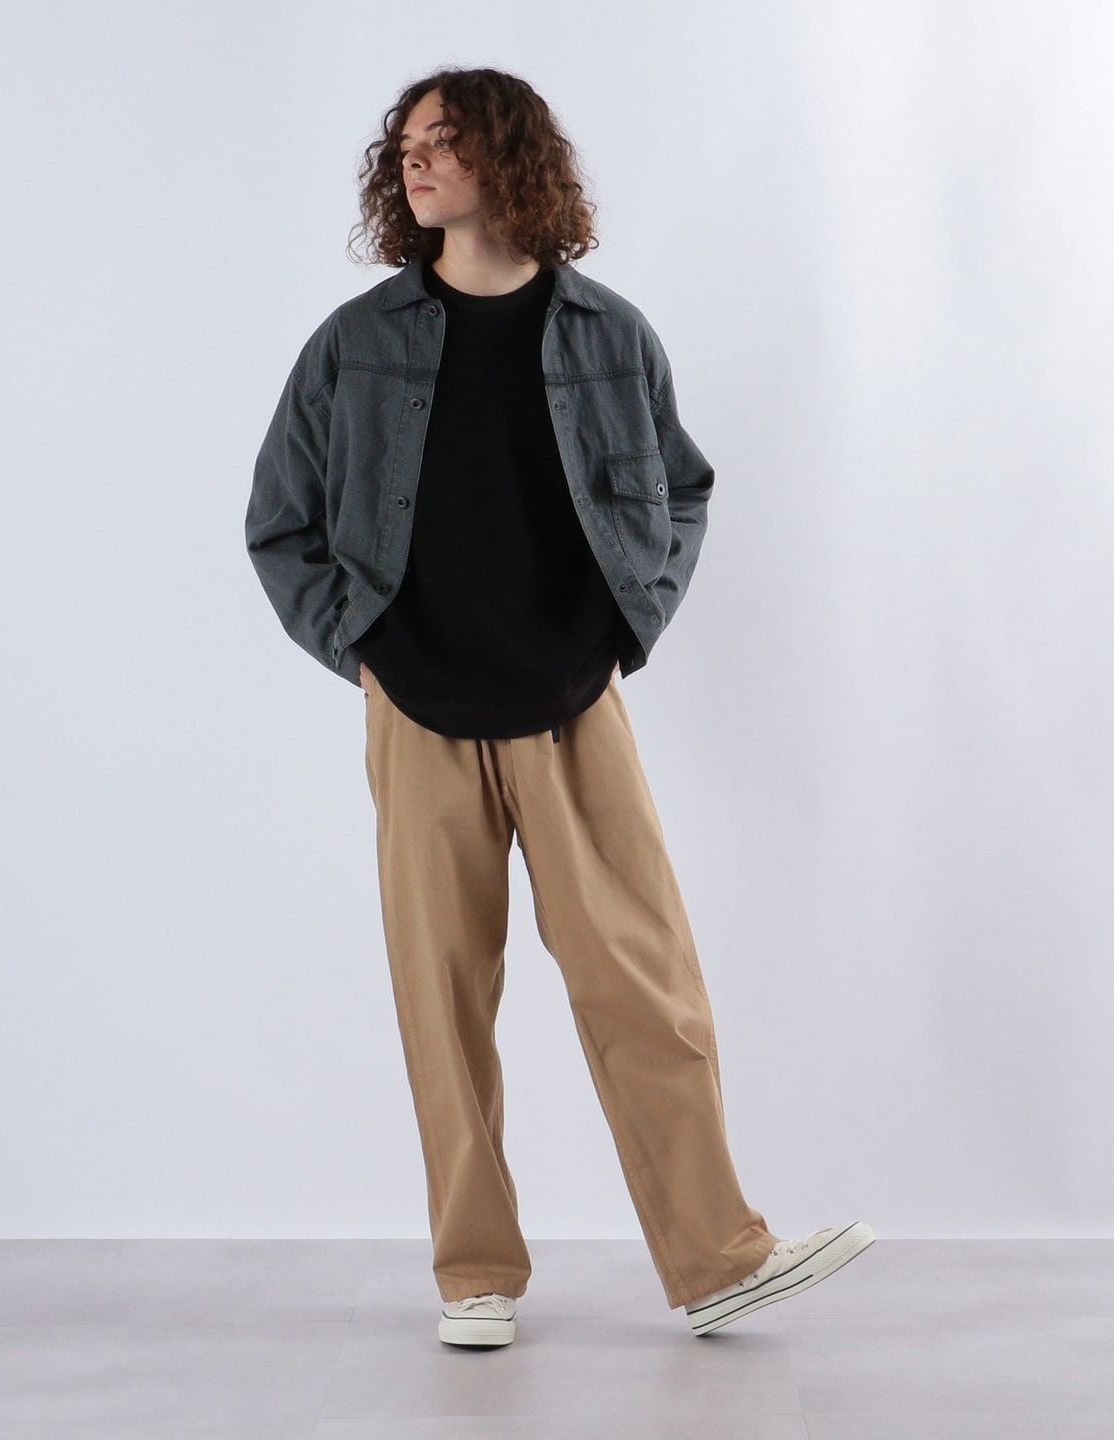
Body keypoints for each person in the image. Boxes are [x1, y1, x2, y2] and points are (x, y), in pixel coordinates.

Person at [245, 65, 874, 1348]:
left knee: (644, 981)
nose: (417, 160)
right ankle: (474, 1274)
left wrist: (624, 627)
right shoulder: (354, 343)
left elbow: (682, 491)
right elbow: (280, 523)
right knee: (443, 1001)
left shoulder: (607, 334)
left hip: (572, 705)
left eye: (444, 140)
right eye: (407, 145)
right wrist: (363, 651)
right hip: (419, 710)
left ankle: (718, 1260)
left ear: (509, 156)